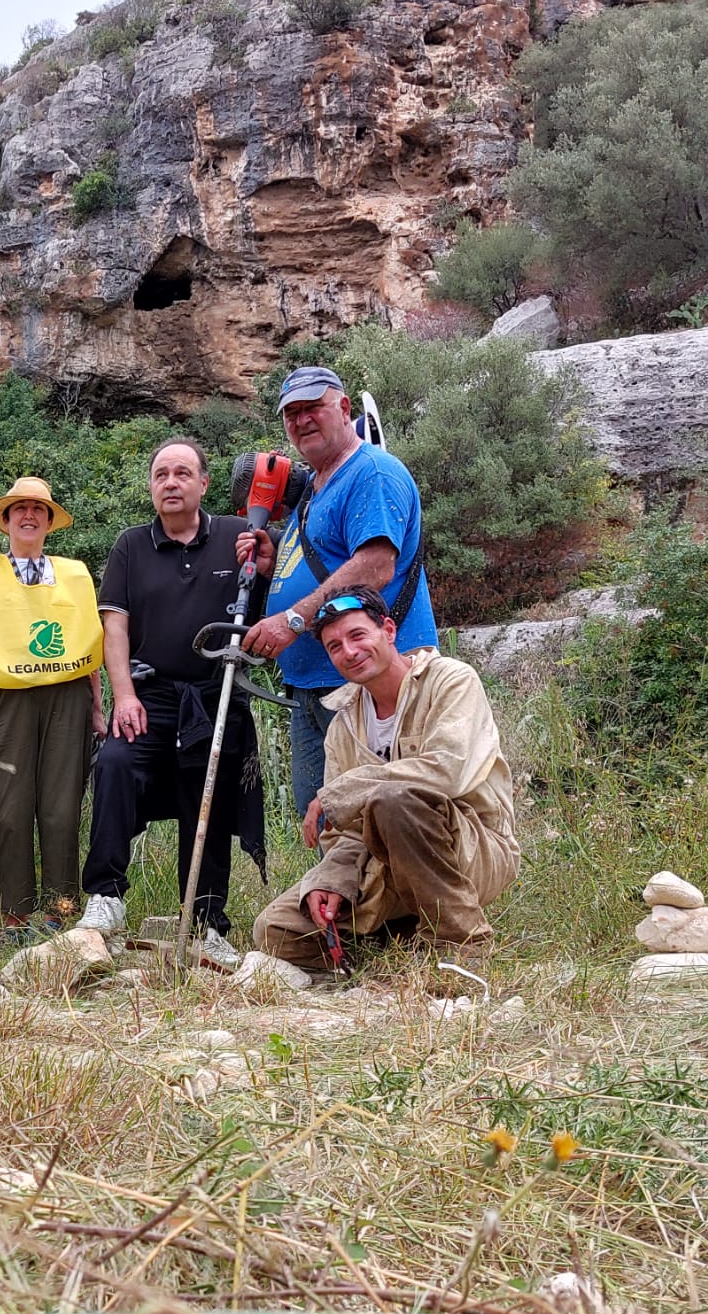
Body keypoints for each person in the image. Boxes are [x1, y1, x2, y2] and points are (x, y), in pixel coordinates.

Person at [252, 594, 516, 974]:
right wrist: (332, 880)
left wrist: (343, 792)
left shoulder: (450, 679)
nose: (350, 652)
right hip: (383, 859)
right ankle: (398, 945)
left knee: (394, 799)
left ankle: (461, 945)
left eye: (358, 635)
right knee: (276, 930)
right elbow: (344, 832)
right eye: (335, 647)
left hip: (471, 848)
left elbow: (450, 771)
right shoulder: (343, 722)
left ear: (388, 630)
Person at [82, 440, 271, 970]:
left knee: (204, 795)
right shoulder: (130, 545)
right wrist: (123, 695)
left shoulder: (237, 535)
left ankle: (209, 922)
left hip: (215, 695)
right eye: (161, 473)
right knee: (116, 763)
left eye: (182, 472)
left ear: (203, 484)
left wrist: (262, 563)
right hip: (149, 694)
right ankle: (106, 899)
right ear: (151, 485)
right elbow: (113, 626)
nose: (171, 482)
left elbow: (263, 607)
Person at [242, 366, 438, 838]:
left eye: (313, 408)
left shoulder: (370, 472)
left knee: (376, 816)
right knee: (327, 821)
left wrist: (291, 618)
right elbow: (324, 561)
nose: (302, 420)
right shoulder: (314, 488)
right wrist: (274, 565)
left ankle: (398, 913)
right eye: (292, 413)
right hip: (318, 683)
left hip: (368, 678)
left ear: (345, 409)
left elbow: (375, 564)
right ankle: (342, 911)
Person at [0, 477, 104, 944]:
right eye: (20, 509)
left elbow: (88, 643)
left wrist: (99, 708)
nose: (29, 515)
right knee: (10, 810)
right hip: (7, 698)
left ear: (50, 520)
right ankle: (15, 916)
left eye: (39, 508)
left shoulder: (75, 573)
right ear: (8, 519)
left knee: (60, 809)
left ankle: (60, 911)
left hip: (67, 695)